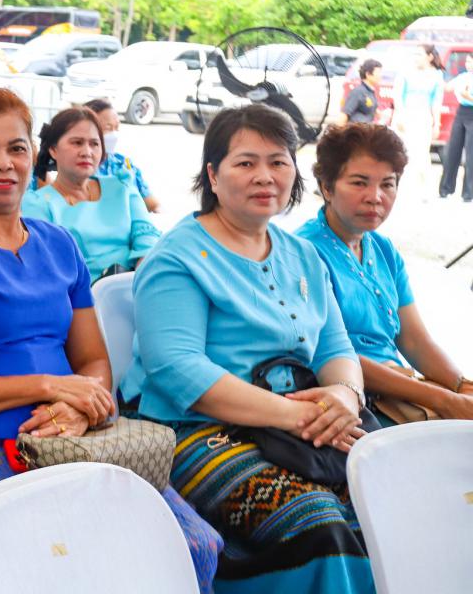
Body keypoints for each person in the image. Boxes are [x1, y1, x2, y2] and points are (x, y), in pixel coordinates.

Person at [0, 88, 221, 592]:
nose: (3, 163)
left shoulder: (58, 244)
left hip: (75, 433)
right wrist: (49, 386)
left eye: (16, 148)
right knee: (86, 560)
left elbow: (94, 361)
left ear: (33, 155)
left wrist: (78, 409)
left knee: (192, 544)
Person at [121, 104, 372, 594]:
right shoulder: (177, 257)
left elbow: (335, 346)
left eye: (278, 161)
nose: (265, 176)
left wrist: (345, 396)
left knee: (389, 495)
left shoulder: (302, 254)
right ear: (213, 176)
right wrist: (296, 415)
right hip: (197, 430)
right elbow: (177, 368)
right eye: (246, 162)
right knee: (316, 521)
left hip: (301, 424)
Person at [298, 123, 473, 421]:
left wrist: (462, 386)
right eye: (359, 183)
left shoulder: (383, 249)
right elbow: (333, 355)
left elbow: (415, 341)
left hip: (403, 390)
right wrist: (442, 399)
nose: (375, 197)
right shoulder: (303, 253)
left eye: (387, 184)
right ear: (327, 187)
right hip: (350, 399)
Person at [22, 106, 160, 279]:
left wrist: (140, 274)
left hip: (135, 282)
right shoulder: (37, 204)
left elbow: (147, 235)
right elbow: (46, 266)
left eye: (94, 144)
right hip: (77, 292)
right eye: (77, 143)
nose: (87, 152)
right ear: (53, 150)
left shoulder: (122, 186)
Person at [83, 98, 160, 212]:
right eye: (108, 128)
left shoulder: (124, 164)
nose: (113, 134)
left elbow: (153, 205)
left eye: (116, 128)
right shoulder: (80, 167)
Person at [391, 45, 444, 196]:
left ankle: (423, 190)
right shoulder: (405, 72)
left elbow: (436, 102)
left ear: (429, 57)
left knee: (422, 154)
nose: (416, 57)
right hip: (405, 115)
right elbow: (397, 95)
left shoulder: (436, 76)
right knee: (401, 151)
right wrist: (400, 116)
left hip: (423, 117)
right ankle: (397, 187)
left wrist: (437, 123)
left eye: (419, 54)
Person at [438, 53, 473, 202]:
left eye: (471, 62)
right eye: (467, 62)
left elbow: (467, 96)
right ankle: (446, 188)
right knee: (453, 150)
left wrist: (468, 96)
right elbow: (447, 88)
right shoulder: (462, 77)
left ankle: (468, 193)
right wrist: (437, 73)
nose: (468, 65)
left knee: (470, 155)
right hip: (461, 112)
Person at [339, 59, 382, 125]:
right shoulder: (358, 92)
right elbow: (344, 115)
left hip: (366, 129)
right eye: (378, 73)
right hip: (356, 129)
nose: (380, 76)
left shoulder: (370, 92)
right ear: (368, 74)